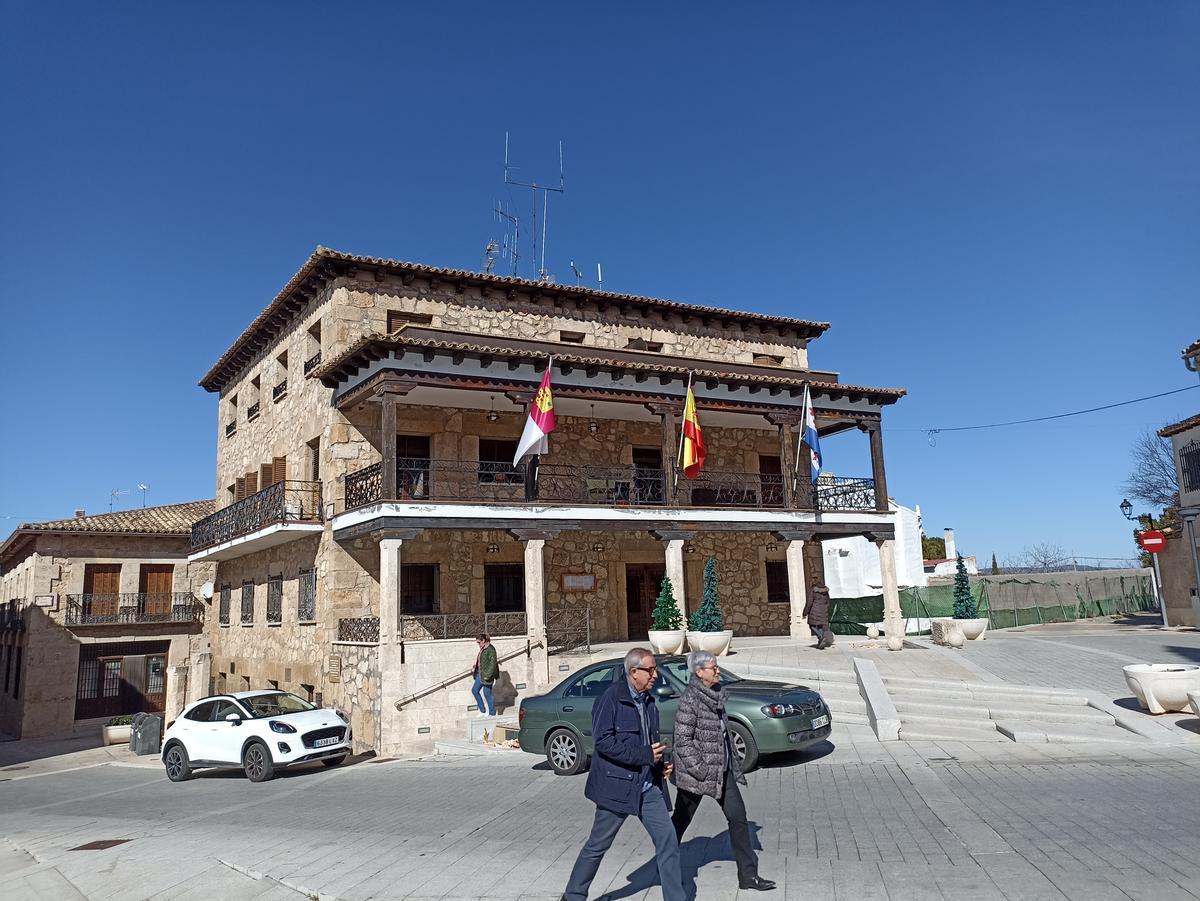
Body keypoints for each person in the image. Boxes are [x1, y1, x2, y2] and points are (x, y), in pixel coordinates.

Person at [562, 648, 684, 901]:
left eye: (655, 669)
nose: (655, 675)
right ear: (633, 672)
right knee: (598, 845)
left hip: (648, 787)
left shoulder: (649, 702)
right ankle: (573, 896)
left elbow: (652, 743)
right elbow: (603, 743)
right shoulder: (610, 699)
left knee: (668, 842)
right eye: (650, 670)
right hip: (616, 786)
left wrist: (662, 765)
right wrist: (643, 755)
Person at [670, 650, 776, 892]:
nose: (717, 670)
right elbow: (683, 741)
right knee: (680, 822)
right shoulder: (690, 701)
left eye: (716, 666)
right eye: (713, 667)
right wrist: (701, 769)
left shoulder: (716, 695)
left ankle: (748, 876)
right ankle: (665, 864)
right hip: (696, 776)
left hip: (723, 772)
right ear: (699, 672)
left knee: (738, 818)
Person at [471, 634, 497, 717]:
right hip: (480, 674)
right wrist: (476, 667)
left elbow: (492, 665)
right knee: (475, 691)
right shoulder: (482, 649)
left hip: (487, 676)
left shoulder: (491, 650)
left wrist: (488, 676)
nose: (478, 644)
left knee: (487, 694)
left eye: (479, 642)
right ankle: (482, 711)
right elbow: (481, 660)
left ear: (484, 640)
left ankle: (492, 714)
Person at [804, 580, 833, 649]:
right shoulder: (825, 592)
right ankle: (821, 641)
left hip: (814, 612)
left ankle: (820, 637)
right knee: (820, 626)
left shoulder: (813, 591)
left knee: (811, 625)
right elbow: (828, 602)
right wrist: (826, 609)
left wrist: (805, 612)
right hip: (823, 611)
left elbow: (809, 603)